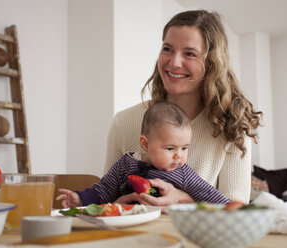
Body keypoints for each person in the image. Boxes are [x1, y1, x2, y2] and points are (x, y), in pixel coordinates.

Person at [104, 10, 262, 205]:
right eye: (168, 49)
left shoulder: (233, 126)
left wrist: (180, 199)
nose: (174, 62)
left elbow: (235, 212)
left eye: (189, 53)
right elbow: (104, 200)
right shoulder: (124, 123)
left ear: (212, 64)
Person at [57, 102, 230, 208]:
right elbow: (104, 190)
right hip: (126, 230)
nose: (179, 156)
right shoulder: (125, 164)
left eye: (184, 148)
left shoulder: (183, 172)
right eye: (170, 148)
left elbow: (210, 195)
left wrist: (232, 209)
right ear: (145, 144)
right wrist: (79, 198)